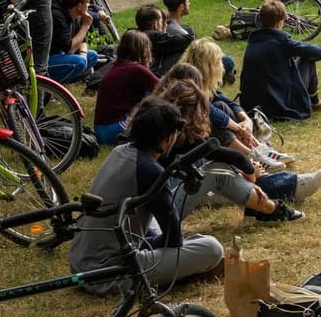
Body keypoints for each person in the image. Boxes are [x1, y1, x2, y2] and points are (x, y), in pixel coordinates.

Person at [67, 98, 223, 292]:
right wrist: (157, 246)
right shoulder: (151, 171)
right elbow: (174, 239)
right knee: (212, 248)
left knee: (154, 225)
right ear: (168, 138)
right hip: (109, 273)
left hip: (80, 264)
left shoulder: (120, 151)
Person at [157, 75, 307, 223]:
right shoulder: (177, 135)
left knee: (221, 168)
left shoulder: (160, 124)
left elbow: (223, 155)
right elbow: (233, 157)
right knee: (219, 174)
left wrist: (244, 172)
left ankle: (262, 206)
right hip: (155, 215)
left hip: (153, 206)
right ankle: (271, 207)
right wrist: (251, 177)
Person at [180, 38, 302, 173]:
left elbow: (227, 101)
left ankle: (259, 149)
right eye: (218, 62)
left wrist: (246, 120)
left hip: (199, 135)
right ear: (208, 66)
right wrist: (239, 128)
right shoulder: (188, 85)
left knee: (222, 105)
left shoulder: (197, 80)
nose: (221, 67)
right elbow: (212, 112)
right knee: (213, 119)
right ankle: (250, 155)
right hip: (188, 141)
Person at [240, 0, 321, 120]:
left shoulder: (253, 40)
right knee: (307, 59)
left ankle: (315, 103)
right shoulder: (283, 42)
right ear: (279, 22)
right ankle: (315, 102)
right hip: (277, 105)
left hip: (251, 105)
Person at [94, 29, 160, 144]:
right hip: (115, 129)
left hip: (100, 130)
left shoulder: (117, 66)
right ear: (144, 50)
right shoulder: (137, 69)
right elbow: (163, 88)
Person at [162, 0, 236, 82]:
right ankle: (225, 75)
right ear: (182, 7)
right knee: (229, 61)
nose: (189, 3)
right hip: (190, 66)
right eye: (188, 1)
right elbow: (199, 51)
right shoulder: (182, 32)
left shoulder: (165, 24)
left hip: (181, 64)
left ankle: (226, 74)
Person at [48, 0, 98, 84]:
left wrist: (83, 54)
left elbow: (82, 41)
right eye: (87, 2)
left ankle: (67, 79)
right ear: (79, 6)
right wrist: (86, 26)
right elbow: (70, 49)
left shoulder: (72, 14)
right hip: (47, 60)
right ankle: (51, 86)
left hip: (61, 55)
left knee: (92, 56)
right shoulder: (57, 16)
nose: (89, 5)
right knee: (80, 62)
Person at [140, 0, 194, 77]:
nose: (165, 23)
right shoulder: (154, 36)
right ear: (155, 24)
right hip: (154, 76)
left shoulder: (135, 33)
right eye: (162, 21)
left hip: (141, 72)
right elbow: (189, 39)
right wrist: (166, 30)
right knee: (183, 50)